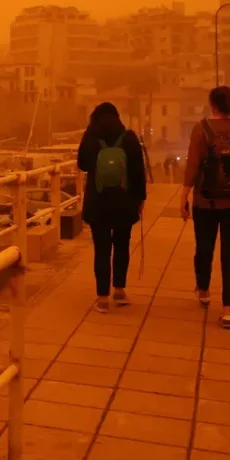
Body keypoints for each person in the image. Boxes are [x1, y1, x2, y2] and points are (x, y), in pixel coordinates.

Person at [181, 86, 230, 329]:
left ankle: (204, 291)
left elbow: (192, 164)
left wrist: (184, 196)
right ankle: (228, 311)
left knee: (204, 248)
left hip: (206, 202)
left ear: (212, 105)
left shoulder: (201, 129)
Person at [76, 102, 147, 313]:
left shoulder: (91, 137)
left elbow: (82, 164)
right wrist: (140, 199)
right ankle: (119, 290)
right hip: (124, 202)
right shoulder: (129, 137)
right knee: (122, 245)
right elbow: (138, 172)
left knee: (102, 249)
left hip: (98, 202)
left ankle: (102, 298)